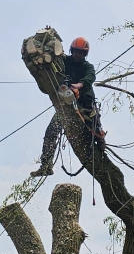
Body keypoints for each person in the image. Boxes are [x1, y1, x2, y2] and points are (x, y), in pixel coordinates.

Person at [30, 36, 104, 177]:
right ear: (72, 51)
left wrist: (80, 85)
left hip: (85, 104)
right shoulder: (65, 61)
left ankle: (100, 141)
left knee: (94, 130)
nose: (77, 55)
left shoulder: (87, 67)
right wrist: (48, 37)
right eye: (76, 52)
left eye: (81, 53)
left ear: (85, 54)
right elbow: (53, 57)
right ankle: (46, 165)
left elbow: (91, 77)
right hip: (67, 105)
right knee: (52, 131)